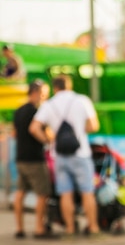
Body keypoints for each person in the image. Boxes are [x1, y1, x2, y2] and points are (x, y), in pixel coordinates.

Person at [29, 75, 101, 236]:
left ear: (55, 88)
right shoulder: (82, 100)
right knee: (87, 191)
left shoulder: (49, 104)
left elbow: (34, 128)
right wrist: (79, 131)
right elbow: (94, 126)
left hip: (59, 155)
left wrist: (48, 140)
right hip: (81, 152)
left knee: (65, 193)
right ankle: (93, 227)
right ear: (70, 85)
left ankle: (69, 229)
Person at [12, 80, 54, 239]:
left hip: (20, 157)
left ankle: (19, 228)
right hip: (35, 159)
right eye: (44, 94)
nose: (45, 97)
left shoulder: (19, 111)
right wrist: (47, 140)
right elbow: (37, 130)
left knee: (20, 193)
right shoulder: (37, 111)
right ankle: (39, 228)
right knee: (43, 193)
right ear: (36, 92)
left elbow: (15, 134)